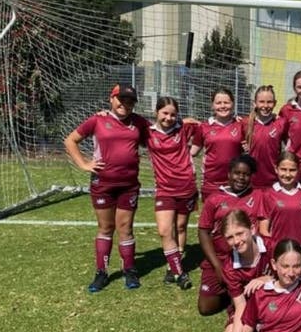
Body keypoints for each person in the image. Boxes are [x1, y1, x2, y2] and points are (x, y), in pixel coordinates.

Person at [64, 84, 149, 292]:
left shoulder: (139, 123)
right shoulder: (98, 119)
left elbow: (159, 135)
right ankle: (101, 272)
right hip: (102, 185)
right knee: (106, 228)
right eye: (121, 99)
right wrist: (84, 164)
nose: (125, 104)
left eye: (130, 101)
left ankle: (129, 270)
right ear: (111, 99)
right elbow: (70, 140)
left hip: (128, 185)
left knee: (126, 229)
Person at [191, 209, 274, 332]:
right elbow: (240, 305)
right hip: (247, 311)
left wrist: (266, 279)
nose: (236, 241)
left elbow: (291, 274)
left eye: (240, 233)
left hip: (274, 306)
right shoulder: (229, 267)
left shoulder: (271, 246)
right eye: (230, 237)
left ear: (252, 229)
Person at [197, 154, 265, 316]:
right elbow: (203, 231)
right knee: (206, 308)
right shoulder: (214, 199)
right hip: (220, 259)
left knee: (255, 301)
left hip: (247, 259)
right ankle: (231, 294)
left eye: (246, 174)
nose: (241, 177)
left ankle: (237, 294)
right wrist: (218, 267)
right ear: (229, 174)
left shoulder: (258, 196)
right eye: (237, 173)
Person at [147, 96, 198, 290]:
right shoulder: (147, 132)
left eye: (173, 114)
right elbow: (128, 122)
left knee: (181, 227)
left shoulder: (184, 129)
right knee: (164, 231)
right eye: (165, 113)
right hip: (164, 190)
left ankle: (173, 266)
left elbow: (208, 129)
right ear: (156, 113)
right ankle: (179, 273)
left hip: (186, 187)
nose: (169, 118)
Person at [191, 87, 246, 201]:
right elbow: (192, 153)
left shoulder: (242, 125)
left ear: (233, 104)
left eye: (226, 102)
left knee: (235, 218)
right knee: (211, 218)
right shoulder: (204, 127)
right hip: (211, 184)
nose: (222, 106)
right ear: (212, 105)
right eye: (218, 103)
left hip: (236, 182)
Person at [258, 151, 301, 245]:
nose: (287, 174)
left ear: (298, 170)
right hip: (279, 252)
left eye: (292, 170)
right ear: (276, 169)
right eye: (283, 169)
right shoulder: (268, 195)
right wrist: (273, 248)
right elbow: (263, 230)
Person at [244, 85, 289, 189]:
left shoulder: (281, 123)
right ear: (254, 103)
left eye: (269, 102)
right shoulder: (245, 123)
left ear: (275, 103)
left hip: (274, 180)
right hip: (250, 181)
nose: (265, 105)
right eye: (261, 102)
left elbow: (292, 144)